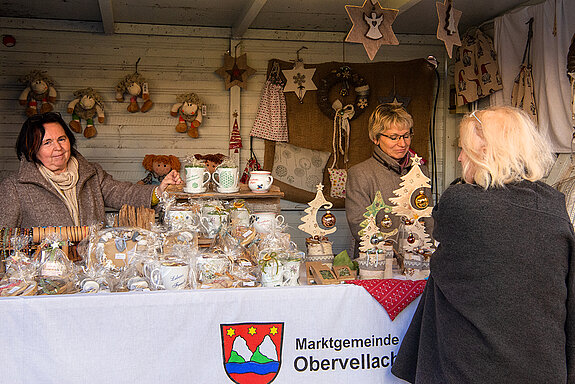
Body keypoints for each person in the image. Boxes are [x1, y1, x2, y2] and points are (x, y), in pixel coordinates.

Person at [391, 106, 575, 383]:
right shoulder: (553, 203)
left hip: (475, 366)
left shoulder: (461, 203)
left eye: (466, 149)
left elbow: (444, 230)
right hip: (543, 364)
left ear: (487, 152)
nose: (461, 157)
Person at [0, 112, 182, 228]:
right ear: (32, 149)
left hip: (92, 269)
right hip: (45, 278)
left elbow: (121, 192)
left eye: (62, 139)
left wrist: (159, 190)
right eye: (47, 143)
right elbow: (4, 238)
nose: (58, 148)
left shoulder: (90, 173)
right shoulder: (15, 187)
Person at [345, 104, 432, 258]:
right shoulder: (360, 174)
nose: (403, 143)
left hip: (417, 259)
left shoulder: (420, 170)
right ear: (375, 138)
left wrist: (427, 253)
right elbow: (359, 225)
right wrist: (390, 254)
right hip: (375, 260)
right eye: (394, 137)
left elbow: (429, 218)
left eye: (406, 135)